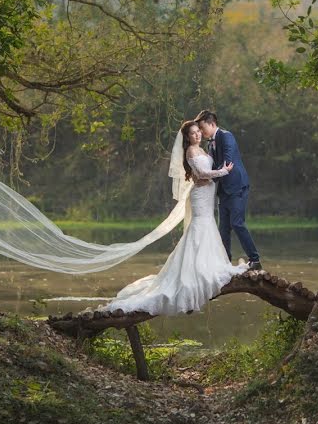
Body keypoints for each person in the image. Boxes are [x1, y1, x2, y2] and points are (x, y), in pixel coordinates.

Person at [101, 121, 249, 316]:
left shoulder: (203, 150)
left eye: (198, 132)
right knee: (200, 227)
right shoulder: (191, 153)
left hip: (207, 196)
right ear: (187, 138)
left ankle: (209, 266)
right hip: (200, 196)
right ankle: (193, 274)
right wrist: (223, 172)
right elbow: (202, 174)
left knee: (208, 227)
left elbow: (204, 174)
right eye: (193, 134)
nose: (197, 135)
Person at [195, 110, 262, 271]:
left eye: (203, 128)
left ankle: (255, 260)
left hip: (236, 186)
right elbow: (212, 166)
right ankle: (225, 263)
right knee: (223, 228)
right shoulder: (209, 143)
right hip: (223, 190)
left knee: (237, 223)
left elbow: (227, 162)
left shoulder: (226, 136)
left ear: (212, 124)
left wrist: (209, 178)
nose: (201, 132)